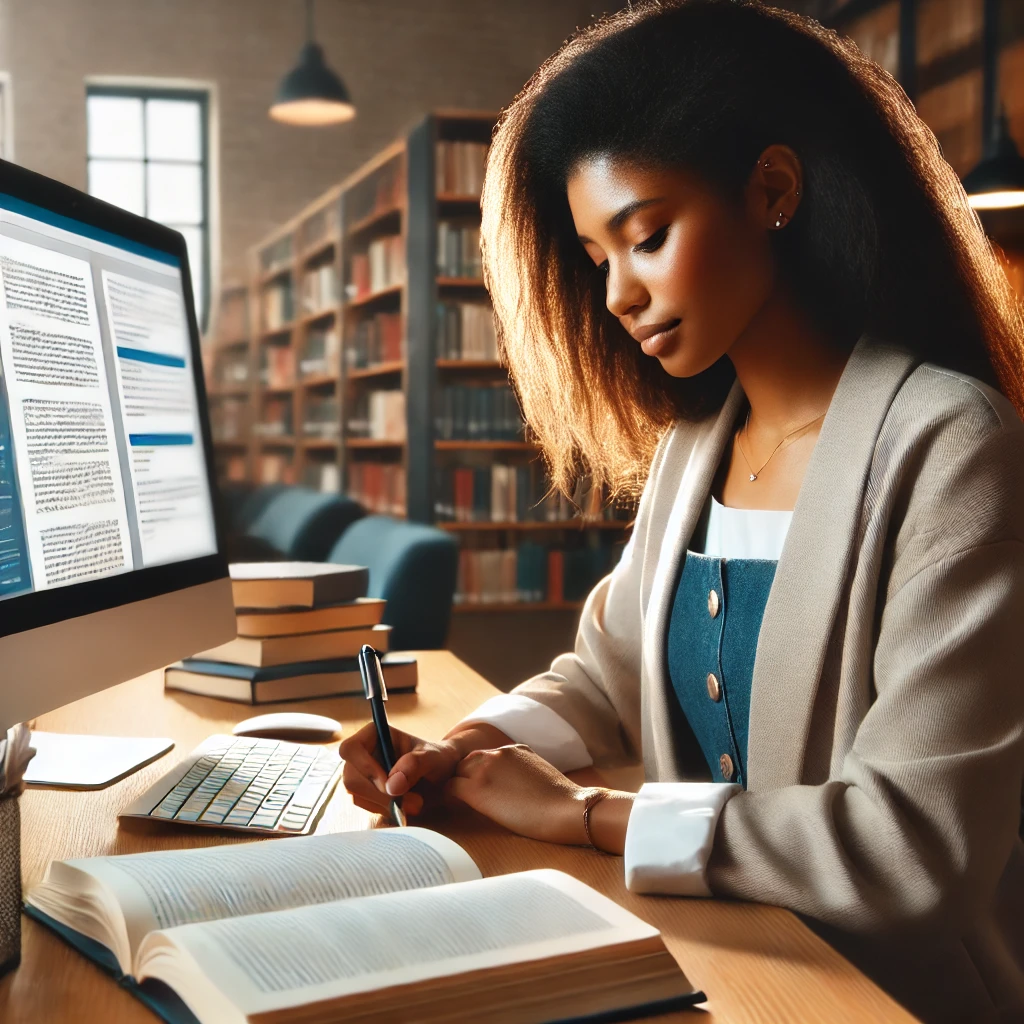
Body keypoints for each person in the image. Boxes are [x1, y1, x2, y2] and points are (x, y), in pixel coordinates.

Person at [340, 2, 1024, 1020]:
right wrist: (469, 747)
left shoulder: (951, 446)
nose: (617, 293)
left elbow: (910, 847)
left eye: (647, 235)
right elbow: (608, 678)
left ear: (773, 191)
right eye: (595, 257)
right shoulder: (693, 449)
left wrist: (584, 814)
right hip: (709, 958)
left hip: (879, 995)